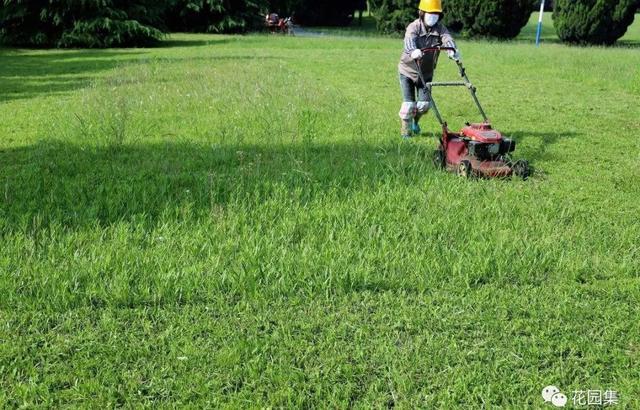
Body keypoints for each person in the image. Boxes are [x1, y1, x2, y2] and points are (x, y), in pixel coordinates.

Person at [397, 0, 461, 138]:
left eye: (436, 13)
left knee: (424, 105)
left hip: (426, 73)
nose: (433, 16)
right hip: (407, 71)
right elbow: (408, 41)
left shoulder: (440, 29)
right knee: (409, 104)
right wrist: (413, 51)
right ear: (422, 13)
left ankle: (415, 122)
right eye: (430, 13)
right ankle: (405, 132)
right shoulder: (413, 27)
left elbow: (447, 38)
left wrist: (452, 50)